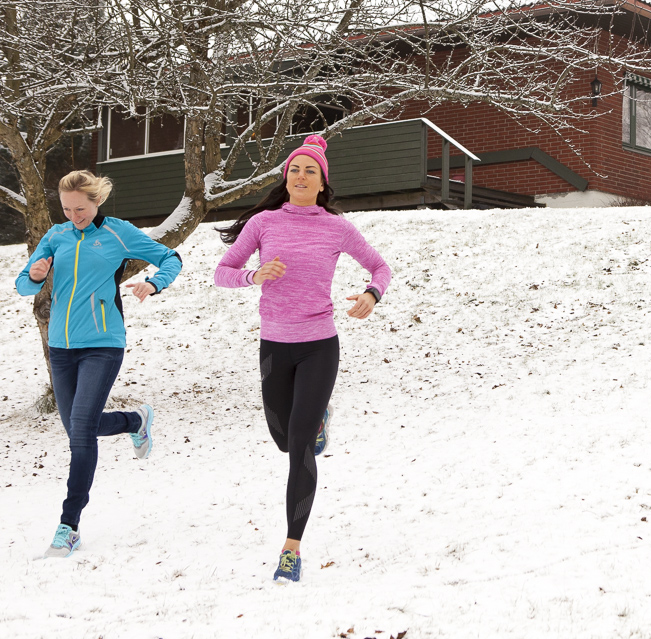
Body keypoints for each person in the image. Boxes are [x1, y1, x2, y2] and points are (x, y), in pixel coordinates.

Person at [214, 135, 391, 583]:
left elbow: (381, 267)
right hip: (275, 344)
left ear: (322, 183)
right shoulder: (263, 222)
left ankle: (291, 548)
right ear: (286, 177)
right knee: (283, 438)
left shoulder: (336, 228)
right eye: (295, 168)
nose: (301, 175)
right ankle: (317, 423)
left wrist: (372, 294)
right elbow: (223, 273)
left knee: (299, 450)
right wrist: (255, 274)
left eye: (310, 170)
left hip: (319, 344)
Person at [14, 170, 183, 558]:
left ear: (97, 201)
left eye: (82, 208)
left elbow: (169, 257)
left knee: (81, 432)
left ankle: (68, 525)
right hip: (61, 346)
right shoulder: (56, 236)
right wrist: (36, 275)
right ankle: (135, 421)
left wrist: (154, 283)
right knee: (76, 426)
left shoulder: (118, 232)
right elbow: (25, 285)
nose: (75, 215)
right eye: (67, 209)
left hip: (103, 344)